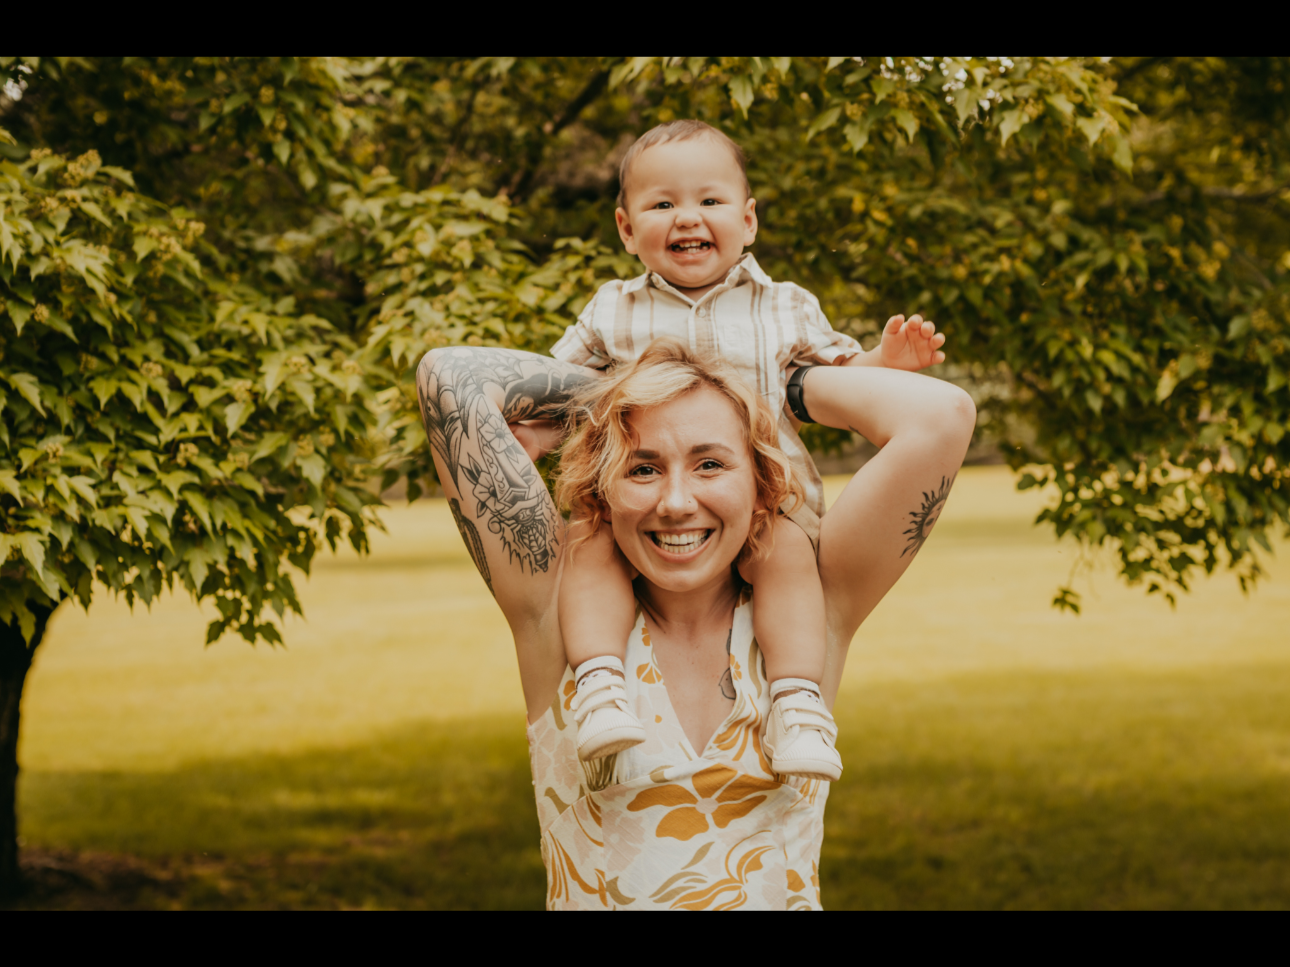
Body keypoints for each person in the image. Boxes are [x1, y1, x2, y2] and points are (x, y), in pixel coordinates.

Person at [415, 338, 975, 909]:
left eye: (710, 463)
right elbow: (451, 377)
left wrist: (773, 386)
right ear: (603, 493)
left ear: (760, 487)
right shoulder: (554, 605)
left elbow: (941, 416)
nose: (676, 501)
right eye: (642, 467)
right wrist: (622, 394)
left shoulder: (813, 605)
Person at [530, 120, 947, 782]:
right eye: (662, 204)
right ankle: (601, 684)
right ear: (625, 228)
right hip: (636, 508)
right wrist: (528, 433)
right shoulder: (612, 310)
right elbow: (552, 390)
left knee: (784, 557)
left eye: (710, 201)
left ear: (748, 221)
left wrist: (884, 361)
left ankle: (796, 699)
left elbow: (843, 377)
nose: (686, 217)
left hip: (762, 507)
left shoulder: (782, 306)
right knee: (589, 545)